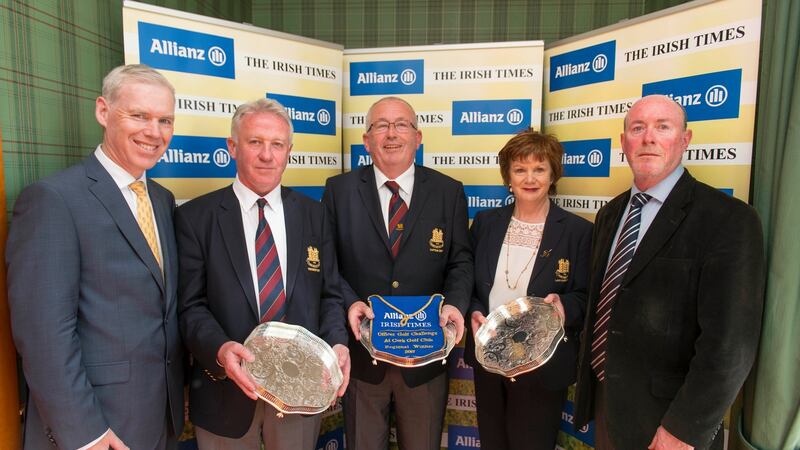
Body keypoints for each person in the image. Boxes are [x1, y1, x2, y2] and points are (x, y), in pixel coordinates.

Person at [6, 64, 184, 449]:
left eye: (165, 120)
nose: (154, 132)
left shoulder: (162, 200)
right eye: (139, 115)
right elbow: (44, 335)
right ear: (103, 111)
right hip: (97, 428)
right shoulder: (54, 200)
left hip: (161, 419)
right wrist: (85, 433)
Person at [573, 95, 766, 449]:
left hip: (669, 424)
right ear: (623, 143)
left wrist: (683, 429)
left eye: (663, 127)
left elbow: (730, 345)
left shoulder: (728, 219)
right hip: (608, 407)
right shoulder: (609, 215)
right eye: (637, 128)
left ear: (685, 139)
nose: (648, 138)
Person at [176, 98, 350, 450]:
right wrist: (221, 349)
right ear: (232, 147)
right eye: (255, 142)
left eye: (277, 145)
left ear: (289, 151)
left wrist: (337, 344)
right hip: (224, 391)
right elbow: (190, 306)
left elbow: (329, 294)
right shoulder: (196, 218)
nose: (267, 155)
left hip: (300, 394)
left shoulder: (314, 216)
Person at [322, 96, 473, 450]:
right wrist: (350, 302)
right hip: (362, 358)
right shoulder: (338, 191)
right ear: (366, 140)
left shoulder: (448, 192)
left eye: (401, 124)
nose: (392, 134)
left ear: (418, 137)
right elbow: (328, 266)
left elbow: (461, 262)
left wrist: (454, 305)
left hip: (426, 357)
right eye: (381, 125)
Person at [465, 129, 592, 450]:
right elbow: (467, 281)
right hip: (489, 357)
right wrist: (474, 311)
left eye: (539, 169)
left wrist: (564, 306)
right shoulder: (485, 223)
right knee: (493, 442)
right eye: (520, 169)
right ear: (508, 176)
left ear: (553, 175)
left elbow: (587, 295)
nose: (530, 178)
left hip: (542, 363)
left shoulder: (578, 231)